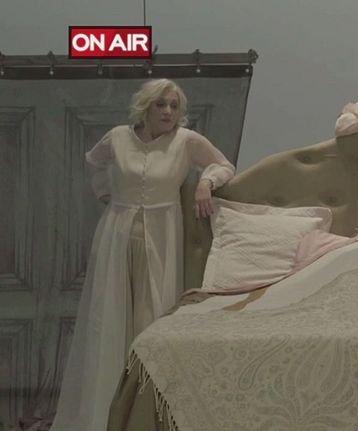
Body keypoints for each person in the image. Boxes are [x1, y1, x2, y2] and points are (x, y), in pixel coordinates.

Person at [51, 79, 235, 431]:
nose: (168, 112)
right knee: (110, 318)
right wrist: (107, 194)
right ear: (145, 107)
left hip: (162, 237)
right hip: (116, 235)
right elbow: (95, 164)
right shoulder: (118, 138)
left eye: (174, 106)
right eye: (160, 105)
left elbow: (224, 165)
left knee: (152, 319)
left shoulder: (186, 141)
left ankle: (145, 416)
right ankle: (102, 413)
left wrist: (205, 182)